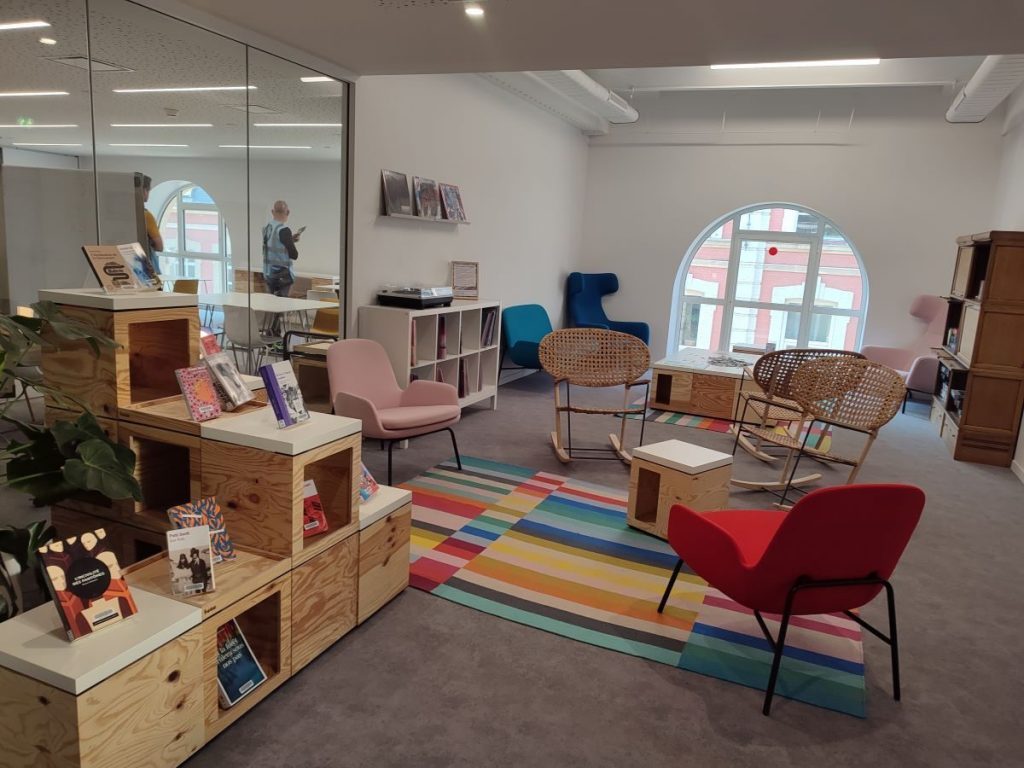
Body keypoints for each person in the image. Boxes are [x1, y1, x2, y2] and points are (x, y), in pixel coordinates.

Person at [262, 200, 301, 298]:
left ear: (272, 211)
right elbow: (294, 255)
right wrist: (290, 241)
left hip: (268, 273)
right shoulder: (284, 230)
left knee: (271, 305)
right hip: (283, 276)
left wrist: (290, 239)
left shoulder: (267, 228)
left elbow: (273, 245)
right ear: (287, 212)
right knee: (282, 307)